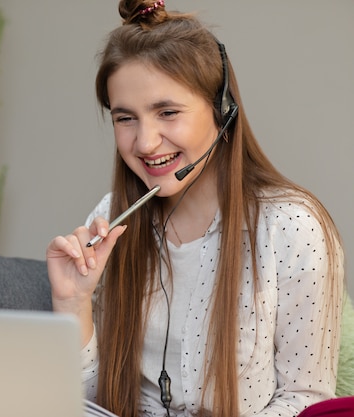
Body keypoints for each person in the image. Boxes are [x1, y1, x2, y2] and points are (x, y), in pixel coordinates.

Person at [46, 1, 346, 417]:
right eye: (125, 118)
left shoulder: (293, 227)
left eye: (167, 112)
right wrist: (73, 303)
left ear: (222, 111)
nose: (145, 143)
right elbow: (92, 402)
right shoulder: (110, 219)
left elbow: (307, 399)